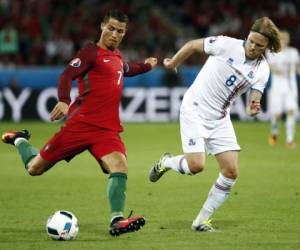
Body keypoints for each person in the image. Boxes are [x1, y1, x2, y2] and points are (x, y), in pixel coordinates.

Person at [1, 10, 158, 236]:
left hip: (107, 130)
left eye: (120, 31)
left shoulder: (117, 57)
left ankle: (117, 221)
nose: (114, 34)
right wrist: (64, 101)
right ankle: (20, 140)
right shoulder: (90, 52)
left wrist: (148, 65)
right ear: (102, 26)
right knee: (34, 168)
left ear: (125, 34)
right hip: (80, 126)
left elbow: (127, 69)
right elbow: (66, 75)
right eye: (111, 28)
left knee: (119, 166)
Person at [149, 17, 281, 232]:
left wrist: (253, 106)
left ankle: (201, 220)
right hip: (195, 107)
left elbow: (255, 96)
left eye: (259, 45)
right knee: (196, 167)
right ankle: (167, 162)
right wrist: (173, 63)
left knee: (231, 171)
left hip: (219, 118)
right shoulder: (226, 44)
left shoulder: (262, 69)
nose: (253, 47)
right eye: (251, 41)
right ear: (247, 36)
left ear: (267, 47)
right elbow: (193, 45)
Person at [267, 30, 300, 149]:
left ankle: (289, 139)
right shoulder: (271, 52)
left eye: (286, 39)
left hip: (291, 88)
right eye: (282, 39)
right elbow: (272, 67)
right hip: (277, 88)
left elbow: (297, 69)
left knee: (291, 111)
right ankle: (275, 133)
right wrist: (281, 71)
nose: (284, 41)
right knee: (277, 114)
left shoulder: (293, 52)